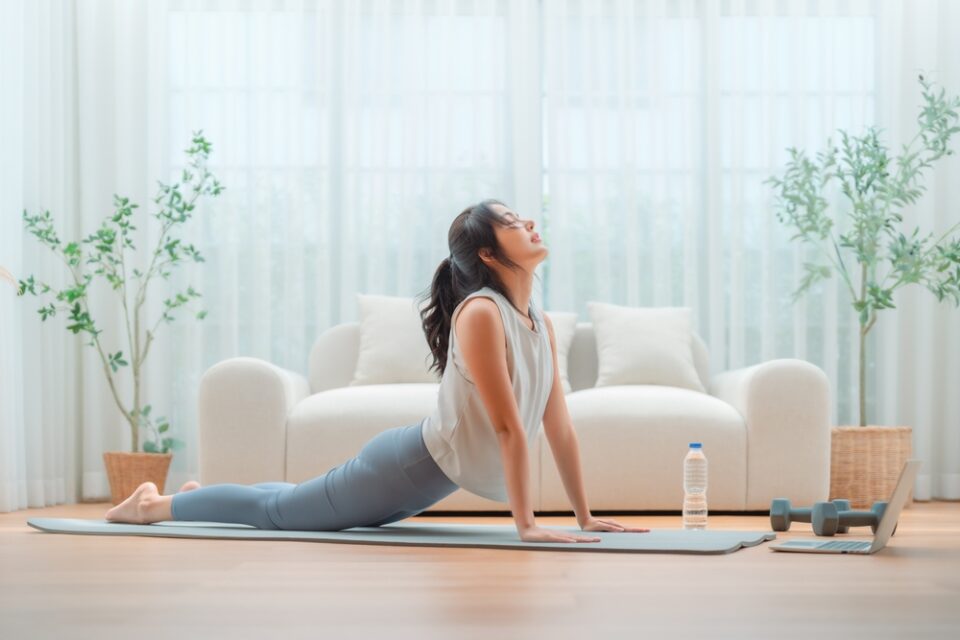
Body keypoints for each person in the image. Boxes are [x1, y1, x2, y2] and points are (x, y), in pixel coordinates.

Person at [105, 199, 650, 542]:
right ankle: (152, 506)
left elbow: (559, 427)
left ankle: (203, 496)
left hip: (424, 475)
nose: (529, 221)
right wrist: (527, 527)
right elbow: (508, 428)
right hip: (409, 465)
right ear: (487, 254)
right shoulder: (482, 313)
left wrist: (585, 516)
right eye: (511, 221)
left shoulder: (539, 322)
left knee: (299, 501)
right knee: (279, 514)